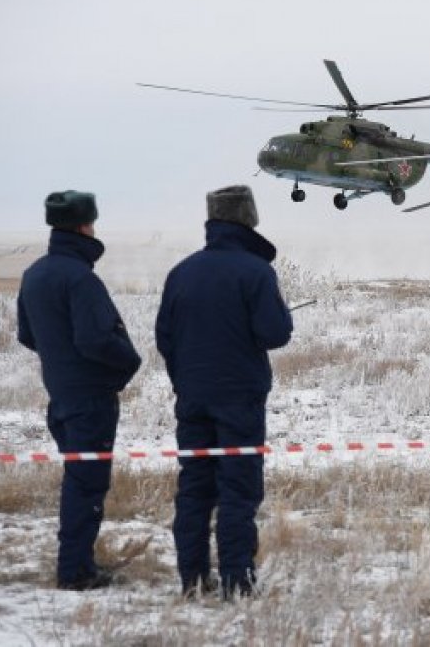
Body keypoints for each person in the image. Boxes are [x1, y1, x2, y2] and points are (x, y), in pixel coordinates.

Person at [155, 185, 293, 599]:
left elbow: (165, 337)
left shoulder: (182, 272)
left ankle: (193, 580)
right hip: (239, 401)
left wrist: (186, 380)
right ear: (248, 217)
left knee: (194, 488)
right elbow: (276, 333)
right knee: (238, 490)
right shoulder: (255, 272)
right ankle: (236, 581)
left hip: (192, 399)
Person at [17, 191, 142, 590]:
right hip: (90, 399)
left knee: (78, 480)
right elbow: (96, 340)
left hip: (60, 394)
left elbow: (27, 335)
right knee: (86, 484)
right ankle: (76, 571)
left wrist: (61, 362)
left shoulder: (35, 274)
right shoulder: (80, 278)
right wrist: (129, 362)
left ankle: (77, 563)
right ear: (85, 225)